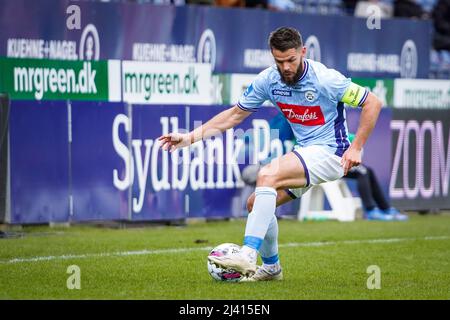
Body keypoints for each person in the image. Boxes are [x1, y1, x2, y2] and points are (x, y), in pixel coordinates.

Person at [159, 27, 382, 281]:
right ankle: (272, 268)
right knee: (256, 203)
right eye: (279, 61)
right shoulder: (269, 80)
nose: (286, 67)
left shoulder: (325, 78)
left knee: (267, 173)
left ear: (303, 52)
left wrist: (357, 147)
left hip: (333, 153)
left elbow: (372, 102)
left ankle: (247, 255)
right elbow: (234, 115)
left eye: (291, 60)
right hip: (307, 153)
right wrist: (189, 138)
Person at [344, 135, 408, 221]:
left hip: (333, 162)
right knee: (363, 171)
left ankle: (385, 208)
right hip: (328, 164)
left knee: (368, 171)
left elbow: (351, 138)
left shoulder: (344, 131)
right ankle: (371, 210)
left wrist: (356, 141)